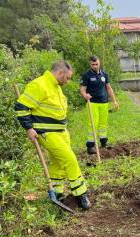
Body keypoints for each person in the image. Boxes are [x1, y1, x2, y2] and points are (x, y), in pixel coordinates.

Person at [15, 61, 91, 210]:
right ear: (60, 73)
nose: (68, 81)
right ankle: (81, 196)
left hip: (61, 132)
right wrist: (28, 128)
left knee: (58, 162)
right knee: (70, 160)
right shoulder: (39, 85)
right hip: (47, 132)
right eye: (67, 78)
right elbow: (21, 106)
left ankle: (57, 192)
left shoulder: (56, 86)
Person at [80, 55, 119, 154]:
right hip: (92, 103)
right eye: (93, 64)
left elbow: (109, 88)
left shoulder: (104, 74)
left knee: (103, 123)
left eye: (96, 64)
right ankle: (90, 146)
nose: (95, 66)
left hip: (104, 102)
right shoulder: (86, 75)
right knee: (93, 124)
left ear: (99, 62)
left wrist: (114, 100)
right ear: (90, 64)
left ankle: (104, 142)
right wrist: (85, 95)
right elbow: (82, 89)